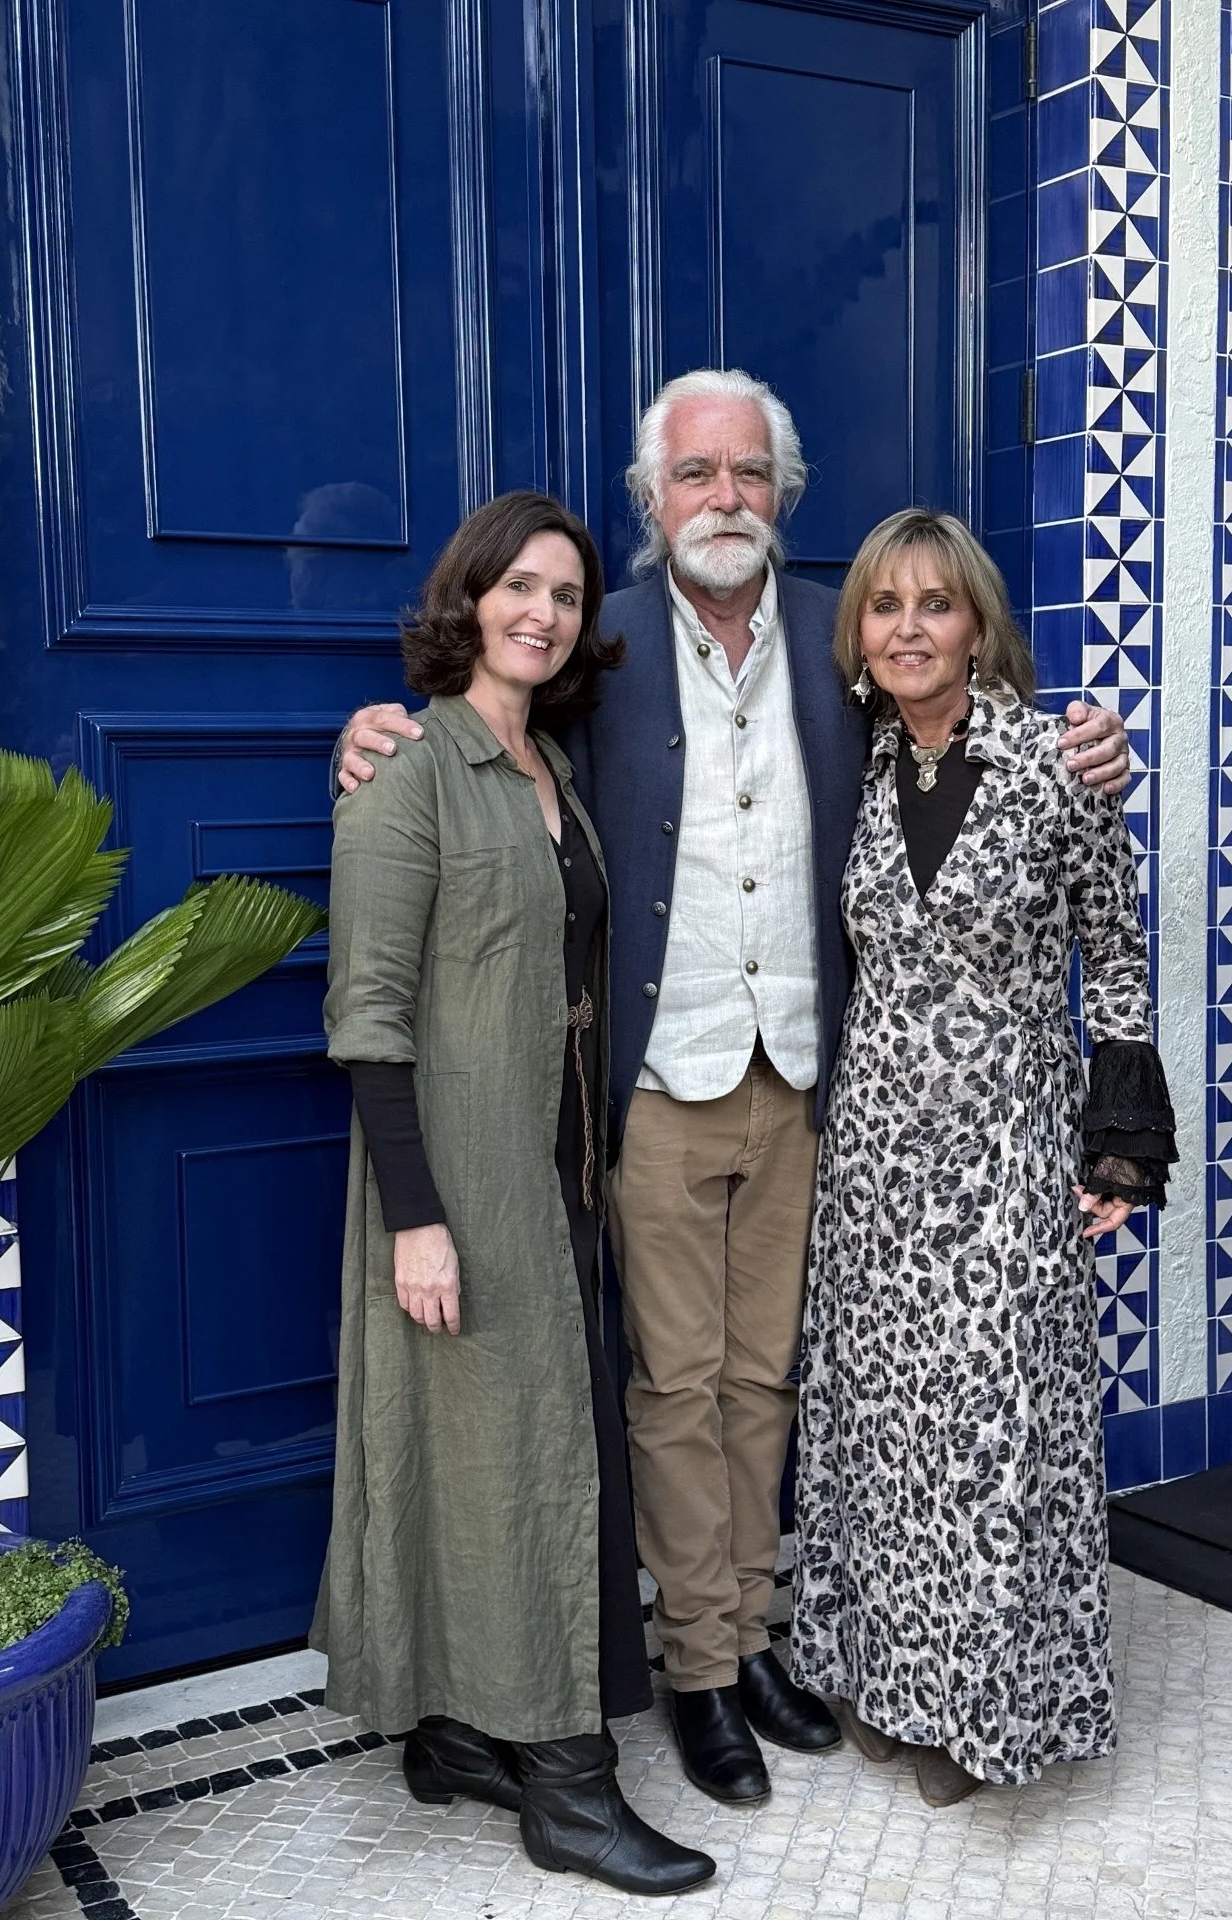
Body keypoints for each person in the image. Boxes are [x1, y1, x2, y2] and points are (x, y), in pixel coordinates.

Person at [334, 368, 1133, 1806]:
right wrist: (376, 733)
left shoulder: (844, 644)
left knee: (771, 1378)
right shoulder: (601, 645)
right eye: (695, 476)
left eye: (749, 475)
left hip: (816, 1087)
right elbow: (486, 727)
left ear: (784, 496)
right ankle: (701, 1666)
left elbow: (967, 733)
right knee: (676, 1381)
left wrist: (1090, 742)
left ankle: (760, 1635)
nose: (724, 499)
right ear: (652, 504)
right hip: (652, 1083)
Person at [316, 489, 714, 1897]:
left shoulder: (545, 762)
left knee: (503, 1459)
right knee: (531, 1465)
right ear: (469, 600)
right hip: (462, 1184)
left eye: (565, 592)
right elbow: (366, 1013)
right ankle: (568, 1783)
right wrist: (417, 1218)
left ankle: (452, 1731)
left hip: (563, 1173)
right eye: (519, 588)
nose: (542, 612)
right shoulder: (410, 775)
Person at [788, 508, 1175, 1808]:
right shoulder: (859, 761)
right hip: (877, 1151)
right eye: (885, 606)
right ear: (860, 634)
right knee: (886, 1422)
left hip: (1010, 1143)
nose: (908, 628)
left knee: (995, 1425)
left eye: (934, 605)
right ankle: (879, 1674)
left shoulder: (1060, 762)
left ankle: (980, 1709)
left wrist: (1120, 1143)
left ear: (977, 625)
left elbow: (1114, 953)